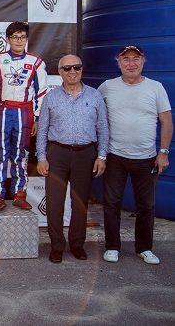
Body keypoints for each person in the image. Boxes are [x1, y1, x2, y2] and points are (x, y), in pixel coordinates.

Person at [99, 45, 172, 265]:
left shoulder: (155, 87)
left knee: (146, 206)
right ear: (118, 62)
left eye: (135, 59)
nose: (131, 63)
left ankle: (144, 248)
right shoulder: (107, 87)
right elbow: (95, 114)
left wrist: (163, 152)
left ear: (143, 61)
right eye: (126, 59)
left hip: (146, 157)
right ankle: (112, 246)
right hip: (115, 155)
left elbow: (166, 121)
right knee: (112, 203)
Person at [36, 55, 109, 263]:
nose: (72, 71)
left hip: (86, 154)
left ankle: (77, 245)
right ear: (60, 72)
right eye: (67, 68)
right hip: (57, 153)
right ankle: (56, 246)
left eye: (76, 67)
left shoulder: (95, 96)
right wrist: (41, 157)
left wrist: (102, 155)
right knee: (54, 203)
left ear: (82, 69)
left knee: (80, 202)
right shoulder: (51, 98)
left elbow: (103, 128)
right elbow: (42, 130)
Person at [0, 22, 48, 211]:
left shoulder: (36, 62)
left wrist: (37, 118)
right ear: (8, 39)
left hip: (24, 112)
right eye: (15, 37)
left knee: (21, 153)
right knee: (0, 153)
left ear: (27, 39)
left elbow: (41, 92)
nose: (19, 41)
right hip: (2, 110)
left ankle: (19, 193)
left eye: (22, 37)